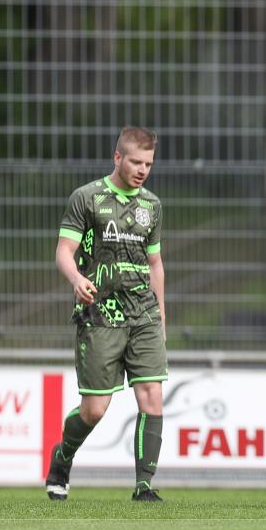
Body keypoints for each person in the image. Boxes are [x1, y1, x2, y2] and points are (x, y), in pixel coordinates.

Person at [47, 126, 167, 502]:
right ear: (117, 158)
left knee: (151, 394)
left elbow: (155, 263)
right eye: (136, 162)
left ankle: (144, 486)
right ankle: (62, 457)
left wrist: (161, 315)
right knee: (95, 410)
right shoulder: (86, 197)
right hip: (100, 314)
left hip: (143, 314)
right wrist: (76, 279)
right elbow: (64, 250)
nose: (142, 170)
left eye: (148, 164)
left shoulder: (152, 205)